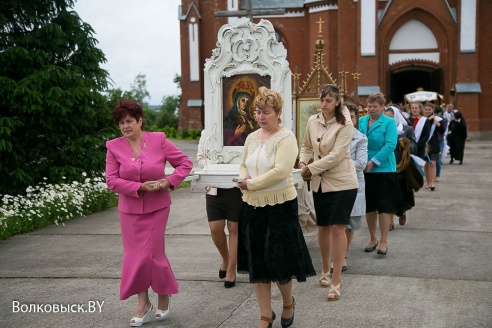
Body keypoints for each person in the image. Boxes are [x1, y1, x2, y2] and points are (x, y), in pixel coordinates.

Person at [105, 99, 193, 327]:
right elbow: (111, 180)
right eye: (121, 122)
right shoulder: (113, 147)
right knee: (135, 257)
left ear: (140, 120)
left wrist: (168, 181)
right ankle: (143, 304)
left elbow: (184, 164)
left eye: (130, 121)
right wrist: (139, 187)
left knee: (152, 255)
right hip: (129, 211)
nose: (125, 126)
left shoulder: (159, 140)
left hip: (157, 208)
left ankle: (164, 296)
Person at [236, 86, 316, 328]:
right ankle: (264, 314)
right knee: (257, 262)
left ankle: (288, 302)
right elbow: (243, 165)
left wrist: (251, 185)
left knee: (279, 260)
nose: (260, 117)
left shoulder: (286, 137)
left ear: (278, 113)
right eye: (258, 112)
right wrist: (244, 179)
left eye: (266, 112)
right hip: (252, 206)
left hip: (280, 206)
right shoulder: (251, 137)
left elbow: (281, 171)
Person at [299, 84, 358, 301]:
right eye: (322, 100)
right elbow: (305, 146)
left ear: (337, 101)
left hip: (343, 183)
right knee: (322, 227)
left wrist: (309, 169)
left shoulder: (345, 123)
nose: (324, 104)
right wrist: (303, 160)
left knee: (336, 228)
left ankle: (337, 278)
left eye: (329, 101)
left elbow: (336, 156)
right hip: (320, 183)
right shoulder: (313, 121)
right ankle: (324, 269)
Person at [197, 130, 241, 288]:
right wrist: (217, 166)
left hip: (236, 187)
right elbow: (200, 159)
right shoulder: (208, 132)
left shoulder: (243, 131)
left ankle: (231, 268)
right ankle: (226, 258)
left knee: (234, 228)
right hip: (215, 187)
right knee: (215, 228)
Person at [358, 92, 401, 257]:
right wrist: (361, 162)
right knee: (369, 205)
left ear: (383, 107)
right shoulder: (361, 121)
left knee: (384, 206)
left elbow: (390, 145)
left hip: (383, 169)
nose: (371, 109)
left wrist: (373, 162)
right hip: (363, 169)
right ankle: (372, 238)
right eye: (369, 106)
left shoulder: (389, 123)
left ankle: (383, 240)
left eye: (375, 106)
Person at [341, 102, 368, 270]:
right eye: (345, 116)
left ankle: (342, 256)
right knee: (336, 223)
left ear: (356, 119)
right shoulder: (333, 135)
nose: (348, 120)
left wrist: (338, 162)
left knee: (349, 223)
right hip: (334, 183)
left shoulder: (361, 138)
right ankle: (335, 256)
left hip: (353, 182)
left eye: (351, 117)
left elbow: (361, 163)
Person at [384, 106, 417, 228]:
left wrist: (406, 144)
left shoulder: (407, 129)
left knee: (400, 193)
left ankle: (402, 211)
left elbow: (415, 147)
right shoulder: (382, 129)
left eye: (391, 117)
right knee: (388, 193)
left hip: (401, 167)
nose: (389, 120)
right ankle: (390, 220)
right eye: (386, 117)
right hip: (386, 165)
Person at [423, 103, 445, 191]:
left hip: (434, 144)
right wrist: (428, 120)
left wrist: (438, 124)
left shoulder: (438, 119)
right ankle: (428, 182)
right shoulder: (423, 119)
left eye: (429, 109)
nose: (428, 111)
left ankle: (432, 183)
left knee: (433, 163)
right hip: (425, 144)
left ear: (432, 110)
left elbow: (442, 131)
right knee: (426, 164)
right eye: (426, 109)